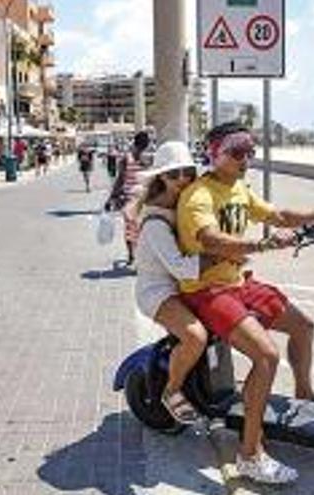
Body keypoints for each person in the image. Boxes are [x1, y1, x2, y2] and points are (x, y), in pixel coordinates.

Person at [177, 122, 314, 484]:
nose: (246, 159)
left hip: (236, 282)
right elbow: (210, 239)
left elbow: (280, 216)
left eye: (250, 151)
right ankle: (250, 454)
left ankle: (304, 395)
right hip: (206, 290)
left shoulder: (239, 189)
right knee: (266, 355)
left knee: (303, 325)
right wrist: (260, 246)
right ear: (215, 153)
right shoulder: (200, 195)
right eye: (237, 151)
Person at [134, 141, 210, 424]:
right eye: (173, 174)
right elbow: (181, 268)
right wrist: (219, 256)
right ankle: (172, 390)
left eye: (187, 172)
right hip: (157, 292)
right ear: (161, 178)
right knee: (195, 337)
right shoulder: (156, 221)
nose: (182, 179)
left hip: (180, 287)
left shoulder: (182, 204)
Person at [107, 131, 151, 265]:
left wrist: (112, 196)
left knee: (129, 228)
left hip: (129, 199)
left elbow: (120, 179)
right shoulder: (149, 159)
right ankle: (140, 255)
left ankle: (131, 255)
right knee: (143, 228)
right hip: (145, 200)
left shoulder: (126, 158)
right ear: (147, 144)